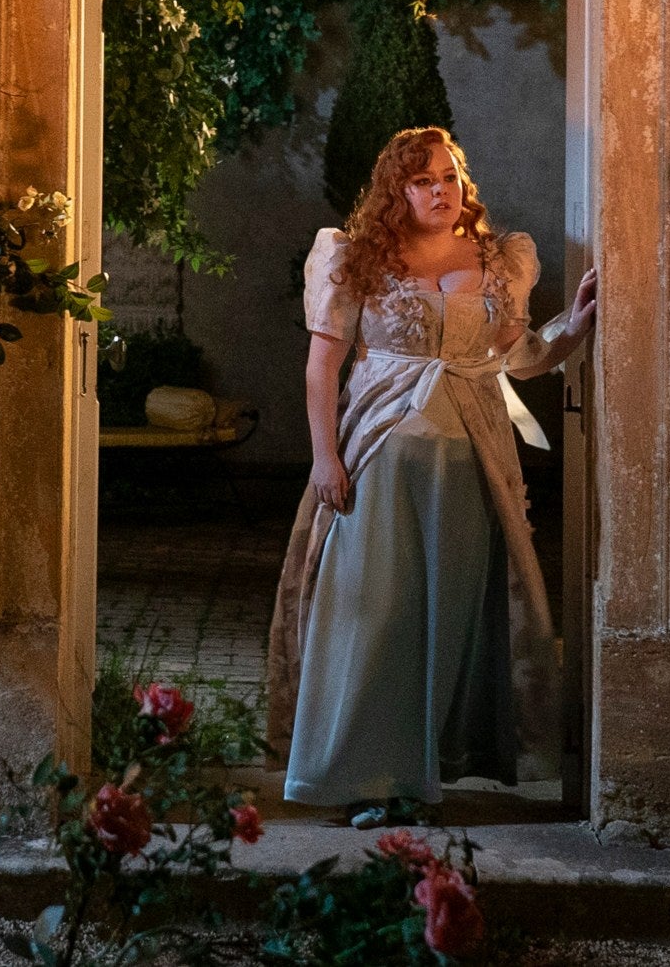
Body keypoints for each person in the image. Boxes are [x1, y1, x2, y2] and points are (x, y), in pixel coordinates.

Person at [265, 126, 599, 823]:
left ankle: (422, 780)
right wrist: (326, 456)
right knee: (376, 614)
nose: (439, 191)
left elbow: (521, 357)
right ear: (398, 189)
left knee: (449, 619)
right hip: (382, 455)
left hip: (471, 461)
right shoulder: (356, 257)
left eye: (448, 177)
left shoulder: (499, 259)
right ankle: (363, 777)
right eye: (422, 181)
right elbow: (322, 365)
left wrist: (577, 329)